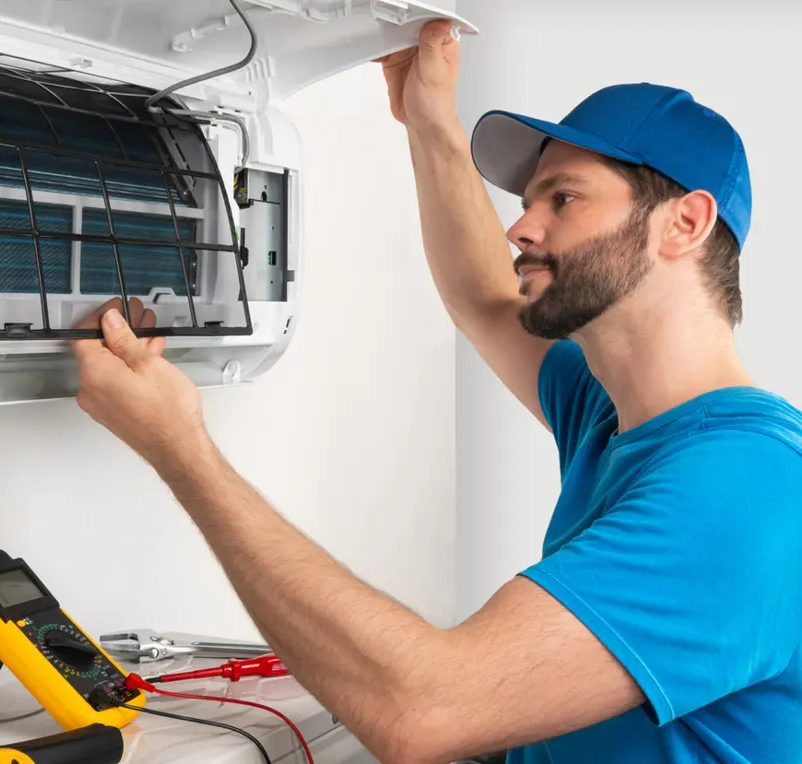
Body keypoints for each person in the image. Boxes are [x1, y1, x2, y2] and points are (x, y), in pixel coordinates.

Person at [70, 19, 802, 764]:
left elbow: (424, 710)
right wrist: (429, 120)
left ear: (684, 223)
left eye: (563, 199)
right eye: (528, 200)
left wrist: (180, 448)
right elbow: (488, 298)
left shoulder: (745, 488)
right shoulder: (613, 414)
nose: (521, 225)